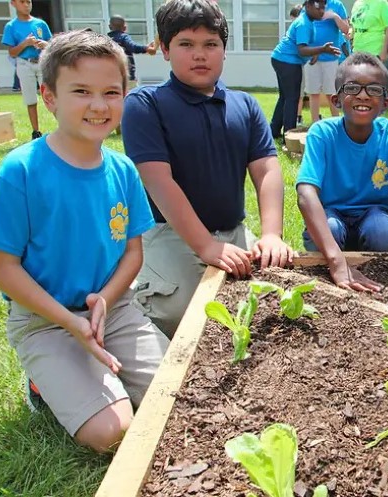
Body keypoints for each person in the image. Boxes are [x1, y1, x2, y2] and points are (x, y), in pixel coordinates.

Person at [0, 30, 169, 453]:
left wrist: (104, 301)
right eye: (81, 91)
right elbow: (2, 269)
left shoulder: (123, 169)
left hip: (112, 311)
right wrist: (71, 321)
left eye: (111, 92)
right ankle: (44, 384)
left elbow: (133, 251)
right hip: (45, 321)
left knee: (179, 396)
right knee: (112, 432)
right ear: (49, 97)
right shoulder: (20, 171)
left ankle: (96, 378)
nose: (98, 105)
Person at [122, 0, 297, 337]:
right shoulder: (146, 104)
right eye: (186, 44)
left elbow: (267, 170)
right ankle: (137, 306)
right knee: (183, 312)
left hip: (232, 230)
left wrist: (272, 234)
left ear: (224, 51)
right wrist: (205, 245)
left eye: (210, 44)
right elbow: (159, 182)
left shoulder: (244, 104)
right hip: (170, 234)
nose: (199, 54)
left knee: (266, 302)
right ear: (164, 49)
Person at [296, 52, 388, 292]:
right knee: (331, 228)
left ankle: (374, 273)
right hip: (332, 214)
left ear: (386, 103)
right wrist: (336, 260)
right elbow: (306, 193)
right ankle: (337, 260)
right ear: (336, 100)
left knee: (382, 230)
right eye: (352, 88)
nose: (363, 95)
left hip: (374, 214)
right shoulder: (322, 133)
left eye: (374, 90)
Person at [270, 0, 340, 138]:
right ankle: (289, 135)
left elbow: (305, 47)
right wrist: (322, 50)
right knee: (292, 98)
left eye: (323, 8)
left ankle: (274, 130)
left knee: (285, 97)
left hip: (280, 59)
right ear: (307, 6)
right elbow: (301, 50)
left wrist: (314, 53)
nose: (321, 11)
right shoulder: (303, 23)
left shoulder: (308, 21)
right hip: (288, 61)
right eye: (317, 8)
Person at [2, 0, 52, 140]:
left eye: (28, 2)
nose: (26, 5)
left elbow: (51, 44)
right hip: (24, 63)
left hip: (42, 61)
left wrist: (44, 44)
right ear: (13, 4)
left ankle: (63, 127)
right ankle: (36, 131)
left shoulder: (40, 24)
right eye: (22, 2)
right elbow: (12, 52)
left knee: (53, 93)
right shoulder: (11, 26)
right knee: (30, 99)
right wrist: (25, 43)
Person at [306, 0, 348, 123]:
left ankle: (336, 124)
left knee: (332, 93)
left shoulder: (337, 5)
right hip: (312, 56)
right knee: (313, 93)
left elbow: (346, 30)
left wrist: (334, 16)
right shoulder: (309, 4)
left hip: (331, 57)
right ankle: (315, 124)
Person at [107, 15, 157, 86]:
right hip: (127, 76)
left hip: (112, 77)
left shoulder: (106, 40)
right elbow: (133, 47)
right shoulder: (124, 37)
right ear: (124, 28)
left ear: (110, 27)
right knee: (132, 94)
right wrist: (146, 48)